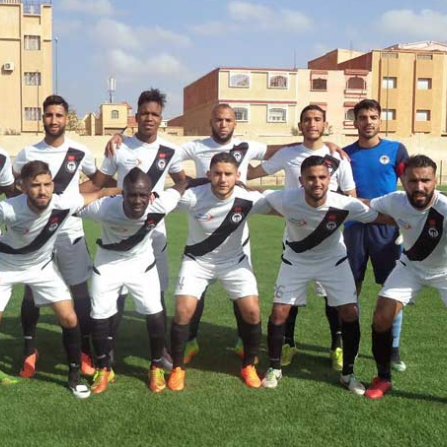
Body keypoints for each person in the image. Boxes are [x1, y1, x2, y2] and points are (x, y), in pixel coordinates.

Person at [261, 155, 391, 393]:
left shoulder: (344, 204)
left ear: (330, 179)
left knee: (350, 312)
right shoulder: (285, 199)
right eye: (311, 178)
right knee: (279, 312)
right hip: (296, 260)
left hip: (333, 261)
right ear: (301, 180)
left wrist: (415, 219)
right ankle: (274, 368)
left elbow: (381, 217)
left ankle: (348, 374)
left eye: (322, 177)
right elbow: (253, 196)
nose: (317, 182)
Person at [247, 105, 356, 370]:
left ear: (325, 124)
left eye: (317, 119)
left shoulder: (337, 157)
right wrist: (238, 155)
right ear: (300, 125)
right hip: (295, 237)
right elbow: (252, 174)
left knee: (332, 297)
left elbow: (351, 197)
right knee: (289, 298)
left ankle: (337, 346)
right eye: (307, 120)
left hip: (328, 241)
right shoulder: (289, 154)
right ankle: (288, 343)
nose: (312, 124)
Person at [86, 88, 186, 368]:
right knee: (114, 294)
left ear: (161, 118)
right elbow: (98, 183)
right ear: (137, 116)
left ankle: (160, 350)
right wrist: (64, 194)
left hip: (154, 232)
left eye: (155, 114)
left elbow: (182, 181)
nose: (149, 118)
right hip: (120, 227)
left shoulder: (170, 150)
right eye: (144, 113)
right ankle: (109, 348)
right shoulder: (119, 146)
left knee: (157, 293)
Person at [0, 160, 117, 396]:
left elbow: (97, 194)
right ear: (23, 187)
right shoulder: (9, 209)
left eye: (47, 184)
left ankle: (74, 376)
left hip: (41, 267)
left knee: (69, 317)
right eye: (35, 185)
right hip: (6, 267)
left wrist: (122, 190)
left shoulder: (62, 203)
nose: (42, 191)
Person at [167, 152, 274, 391]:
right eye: (217, 174)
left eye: (228, 174)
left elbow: (283, 205)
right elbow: (159, 201)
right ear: (208, 175)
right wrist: (184, 183)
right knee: (183, 310)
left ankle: (249, 365)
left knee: (252, 311)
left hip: (234, 262)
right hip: (197, 261)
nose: (222, 179)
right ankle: (177, 368)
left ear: (237, 176)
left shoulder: (248, 198)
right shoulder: (193, 197)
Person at [78, 168, 190, 394]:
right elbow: (73, 204)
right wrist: (100, 193)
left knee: (155, 312)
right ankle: (104, 368)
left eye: (143, 195)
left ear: (151, 195)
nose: (137, 201)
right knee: (98, 315)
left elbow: (182, 185)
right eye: (132, 195)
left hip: (142, 265)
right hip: (108, 265)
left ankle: (156, 366)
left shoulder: (160, 205)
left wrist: (208, 181)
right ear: (123, 194)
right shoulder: (104, 208)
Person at [13, 95, 98, 378]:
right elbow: (15, 184)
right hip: (37, 233)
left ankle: (84, 350)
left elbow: (99, 179)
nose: (54, 120)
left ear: (66, 118)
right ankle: (29, 350)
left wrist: (75, 196)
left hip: (70, 231)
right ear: (43, 118)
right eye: (49, 115)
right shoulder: (28, 153)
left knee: (79, 291)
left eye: (59, 115)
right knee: (31, 291)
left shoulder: (80, 151)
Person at [365, 155, 446, 399]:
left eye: (425, 180)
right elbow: (365, 205)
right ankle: (383, 378)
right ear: (403, 181)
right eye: (413, 181)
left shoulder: (444, 208)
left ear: (435, 181)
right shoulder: (394, 200)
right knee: (381, 317)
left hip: (444, 271)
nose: (419, 187)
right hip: (410, 268)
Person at [343, 99, 409, 372]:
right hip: (354, 229)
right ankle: (352, 344)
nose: (368, 122)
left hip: (387, 230)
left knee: (393, 289)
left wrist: (408, 221)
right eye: (362, 117)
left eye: (372, 116)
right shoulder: (345, 155)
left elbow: (409, 185)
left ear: (380, 120)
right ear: (355, 122)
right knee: (351, 288)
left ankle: (392, 348)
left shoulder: (396, 150)